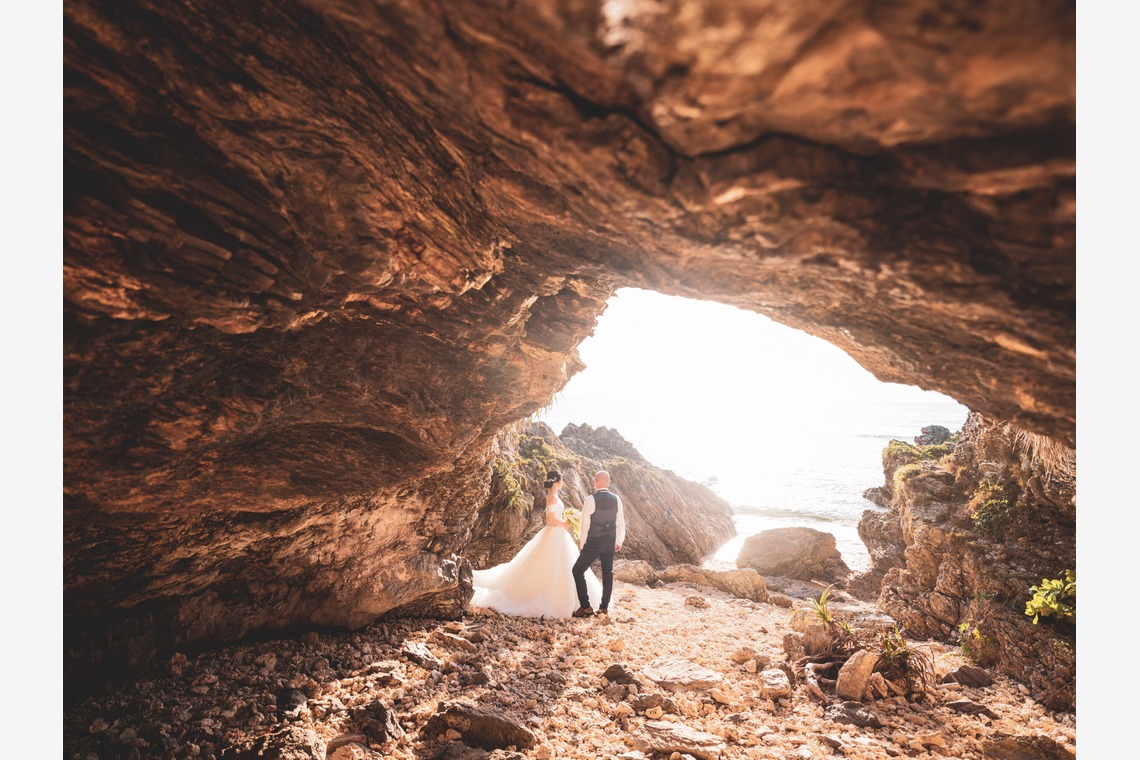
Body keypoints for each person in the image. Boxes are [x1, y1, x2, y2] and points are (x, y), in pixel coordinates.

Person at [470, 470, 604, 618]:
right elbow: (550, 520)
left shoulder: (556, 496)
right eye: (561, 481)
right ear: (556, 482)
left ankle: (577, 600)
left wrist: (566, 519)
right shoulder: (551, 497)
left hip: (559, 535)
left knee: (565, 564)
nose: (562, 483)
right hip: (553, 532)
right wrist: (565, 523)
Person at [571, 470, 626, 618]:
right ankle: (603, 608)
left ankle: (586, 607)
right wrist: (619, 541)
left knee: (577, 570)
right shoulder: (617, 499)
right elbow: (620, 522)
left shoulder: (590, 499)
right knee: (608, 573)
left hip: (594, 542)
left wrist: (582, 543)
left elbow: (585, 524)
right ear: (608, 482)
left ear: (596, 481)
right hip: (610, 541)